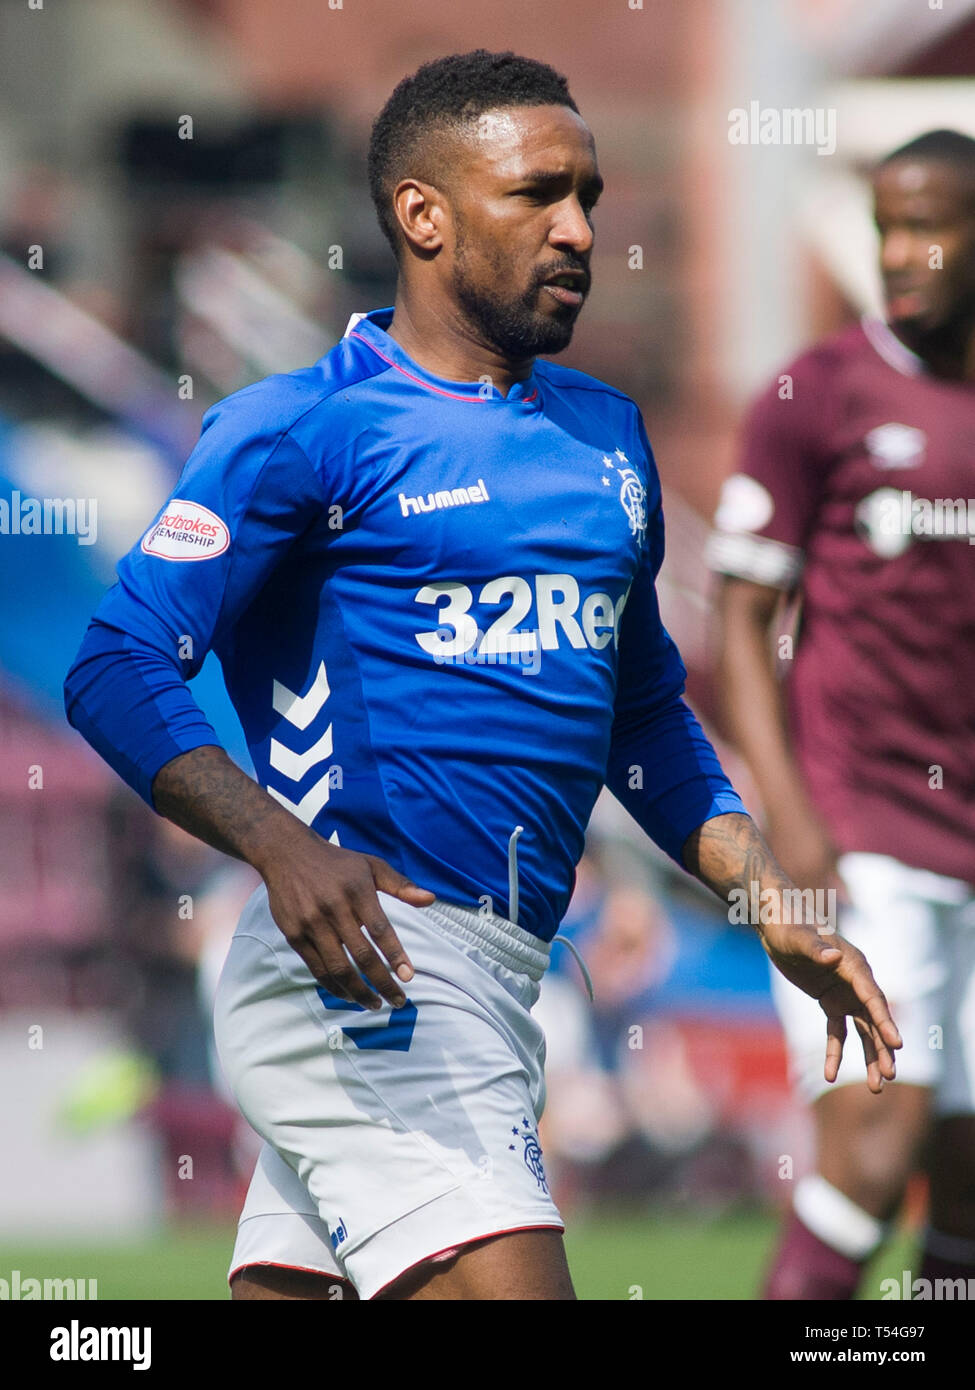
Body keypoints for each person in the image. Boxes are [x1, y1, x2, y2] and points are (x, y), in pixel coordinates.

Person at [65, 49, 899, 1302]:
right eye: (538, 194)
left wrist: (765, 894)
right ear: (423, 213)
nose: (578, 229)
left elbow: (643, 718)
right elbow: (117, 662)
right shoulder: (303, 428)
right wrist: (280, 846)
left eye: (591, 197)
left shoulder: (606, 439)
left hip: (505, 970)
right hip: (370, 959)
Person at [707, 129, 975, 1301]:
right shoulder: (817, 393)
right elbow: (738, 619)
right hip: (862, 827)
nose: (901, 253)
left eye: (931, 225)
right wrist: (792, 817)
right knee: (874, 1149)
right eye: (886, 228)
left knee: (969, 1175)